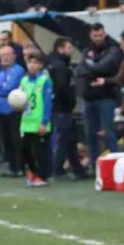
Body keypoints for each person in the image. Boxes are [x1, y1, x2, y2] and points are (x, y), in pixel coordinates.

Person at [77, 23, 124, 170]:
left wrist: (90, 67)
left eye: (100, 35)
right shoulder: (86, 50)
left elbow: (103, 67)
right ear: (90, 35)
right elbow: (79, 70)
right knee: (90, 134)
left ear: (104, 34)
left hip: (106, 97)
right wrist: (94, 69)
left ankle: (115, 165)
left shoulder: (114, 49)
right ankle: (94, 166)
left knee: (109, 133)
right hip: (89, 97)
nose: (97, 38)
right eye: (95, 35)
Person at [45, 38, 86, 180]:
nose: (71, 50)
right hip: (62, 107)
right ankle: (57, 170)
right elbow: (63, 87)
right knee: (63, 139)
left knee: (69, 139)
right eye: (68, 47)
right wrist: (71, 101)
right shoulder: (60, 66)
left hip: (55, 106)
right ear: (60, 49)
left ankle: (78, 170)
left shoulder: (51, 64)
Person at [0, 44, 26, 179]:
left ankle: (20, 167)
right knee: (6, 140)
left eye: (7, 54)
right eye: (2, 55)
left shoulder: (18, 70)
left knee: (17, 140)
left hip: (14, 110)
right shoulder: (0, 71)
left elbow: (10, 87)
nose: (4, 57)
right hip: (1, 110)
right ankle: (11, 167)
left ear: (14, 56)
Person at [18, 55, 53, 186]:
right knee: (25, 149)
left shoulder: (45, 81)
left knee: (40, 151)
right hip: (26, 122)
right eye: (29, 62)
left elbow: (48, 102)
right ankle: (33, 172)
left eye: (35, 62)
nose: (32, 65)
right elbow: (20, 99)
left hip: (39, 122)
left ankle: (42, 176)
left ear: (40, 65)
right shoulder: (24, 81)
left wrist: (44, 122)